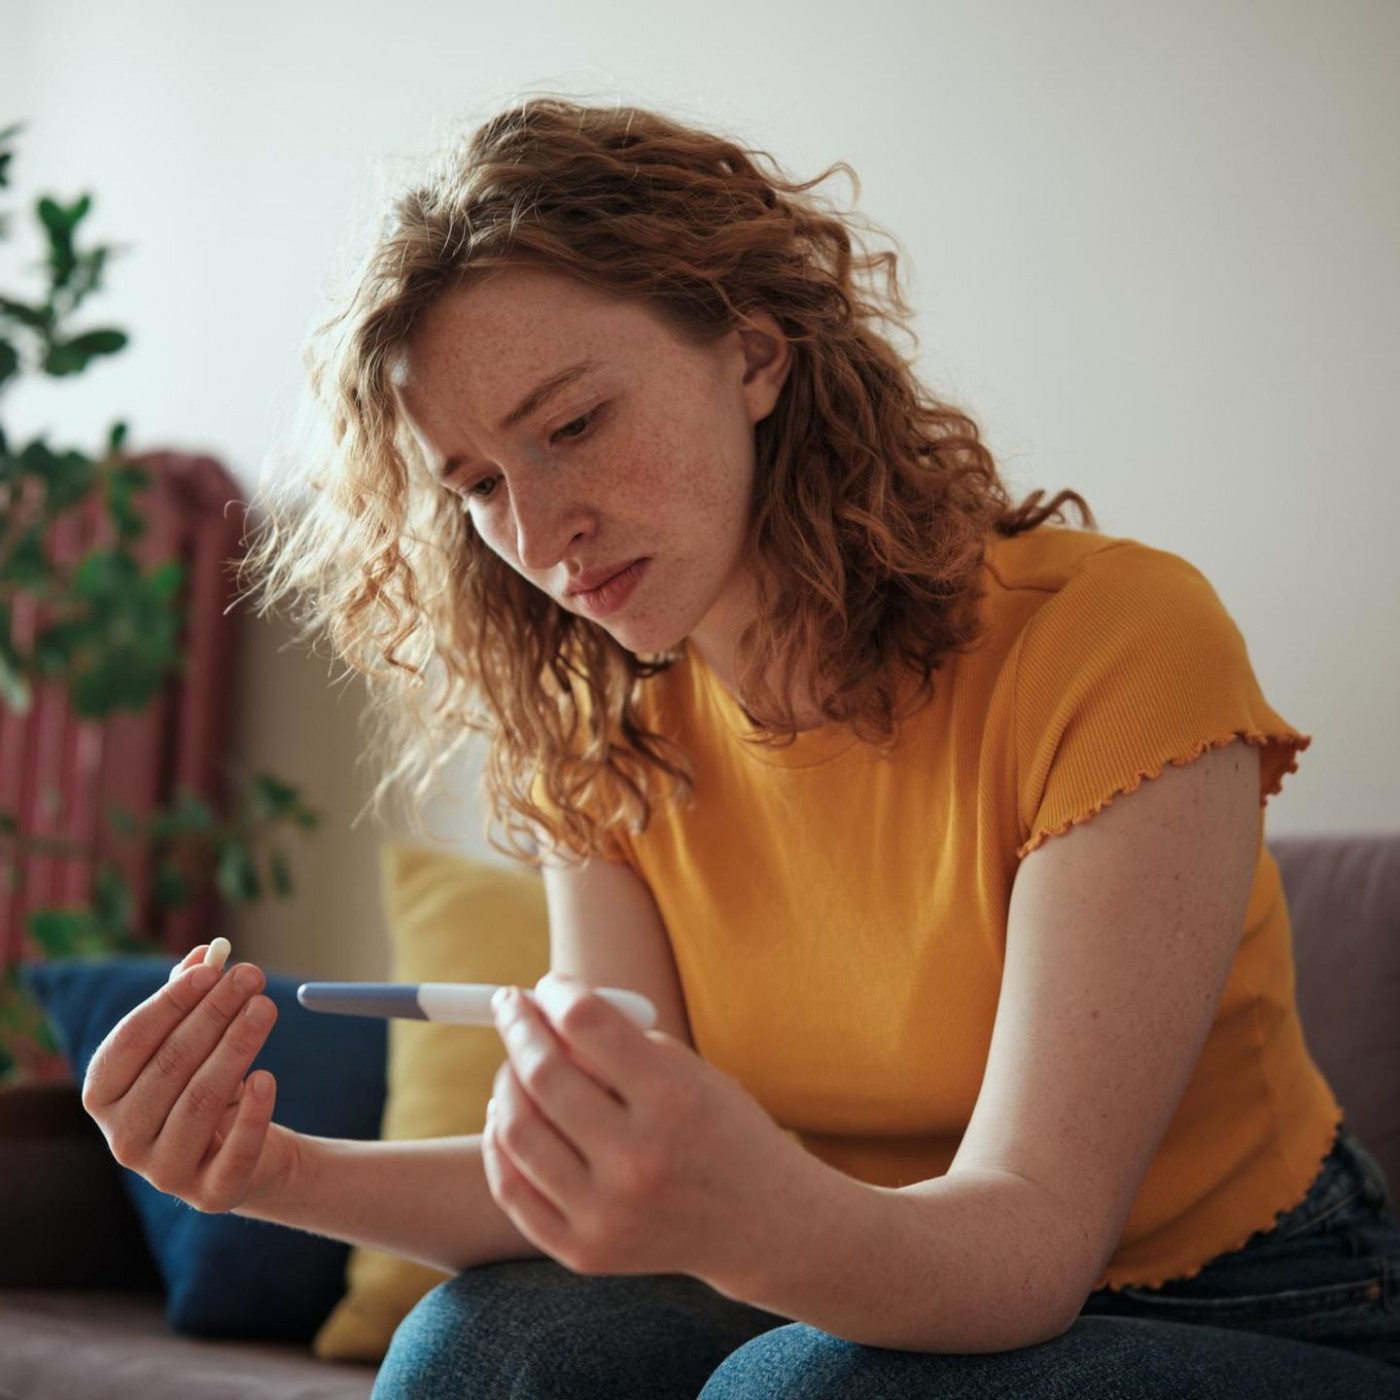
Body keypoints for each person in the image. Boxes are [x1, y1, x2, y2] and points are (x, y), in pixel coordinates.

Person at [81, 96, 1400, 1398]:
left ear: (756, 355)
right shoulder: (603, 732)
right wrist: (264, 1173)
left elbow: (1029, 1249)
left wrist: (732, 1213)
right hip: (826, 1286)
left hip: (1251, 1301)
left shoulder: (1115, 639)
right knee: (486, 1349)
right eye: (479, 485)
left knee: (807, 1393)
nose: (540, 537)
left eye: (573, 425)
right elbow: (570, 1177)